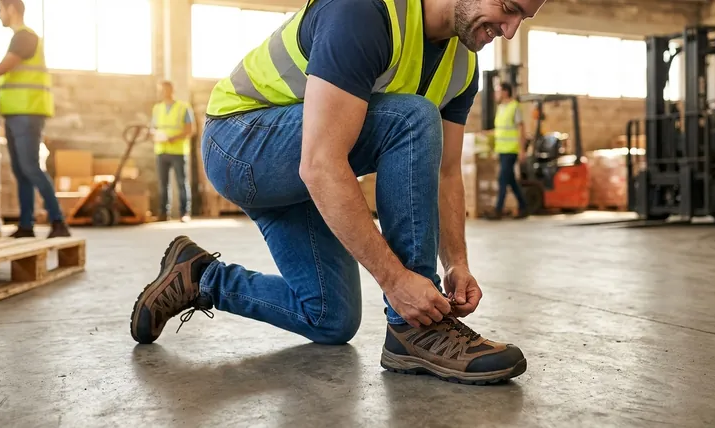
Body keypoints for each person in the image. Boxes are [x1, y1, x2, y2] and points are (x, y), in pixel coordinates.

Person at [130, 0, 546, 385]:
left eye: (522, 20)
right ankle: (416, 331)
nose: (510, 31)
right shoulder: (364, 11)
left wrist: (457, 263)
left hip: (298, 163)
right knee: (412, 117)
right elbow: (320, 163)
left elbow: (447, 172)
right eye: (508, 8)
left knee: (331, 319)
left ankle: (200, 278)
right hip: (241, 144)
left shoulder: (461, 66)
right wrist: (398, 282)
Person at [0, 0, 70, 238]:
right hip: (15, 113)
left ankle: (58, 221)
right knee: (21, 171)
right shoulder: (19, 38)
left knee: (31, 168)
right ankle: (25, 225)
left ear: (11, 9)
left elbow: (3, 68)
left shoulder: (24, 37)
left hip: (28, 112)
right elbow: (3, 80)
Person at [149, 81, 194, 222]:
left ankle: (184, 213)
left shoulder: (183, 107)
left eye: (165, 89)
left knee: (182, 182)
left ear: (171, 90)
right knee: (163, 184)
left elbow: (190, 130)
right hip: (161, 151)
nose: (162, 92)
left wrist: (174, 138)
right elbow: (153, 128)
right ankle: (163, 213)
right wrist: (155, 136)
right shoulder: (157, 108)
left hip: (178, 151)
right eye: (160, 90)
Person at [486, 81, 529, 220]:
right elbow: (501, 129)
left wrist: (522, 150)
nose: (496, 93)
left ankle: (498, 210)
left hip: (511, 150)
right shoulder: (501, 108)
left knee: (502, 179)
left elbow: (521, 128)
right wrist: (487, 133)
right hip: (502, 149)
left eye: (498, 90)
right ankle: (524, 206)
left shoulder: (514, 107)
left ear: (505, 91)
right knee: (510, 180)